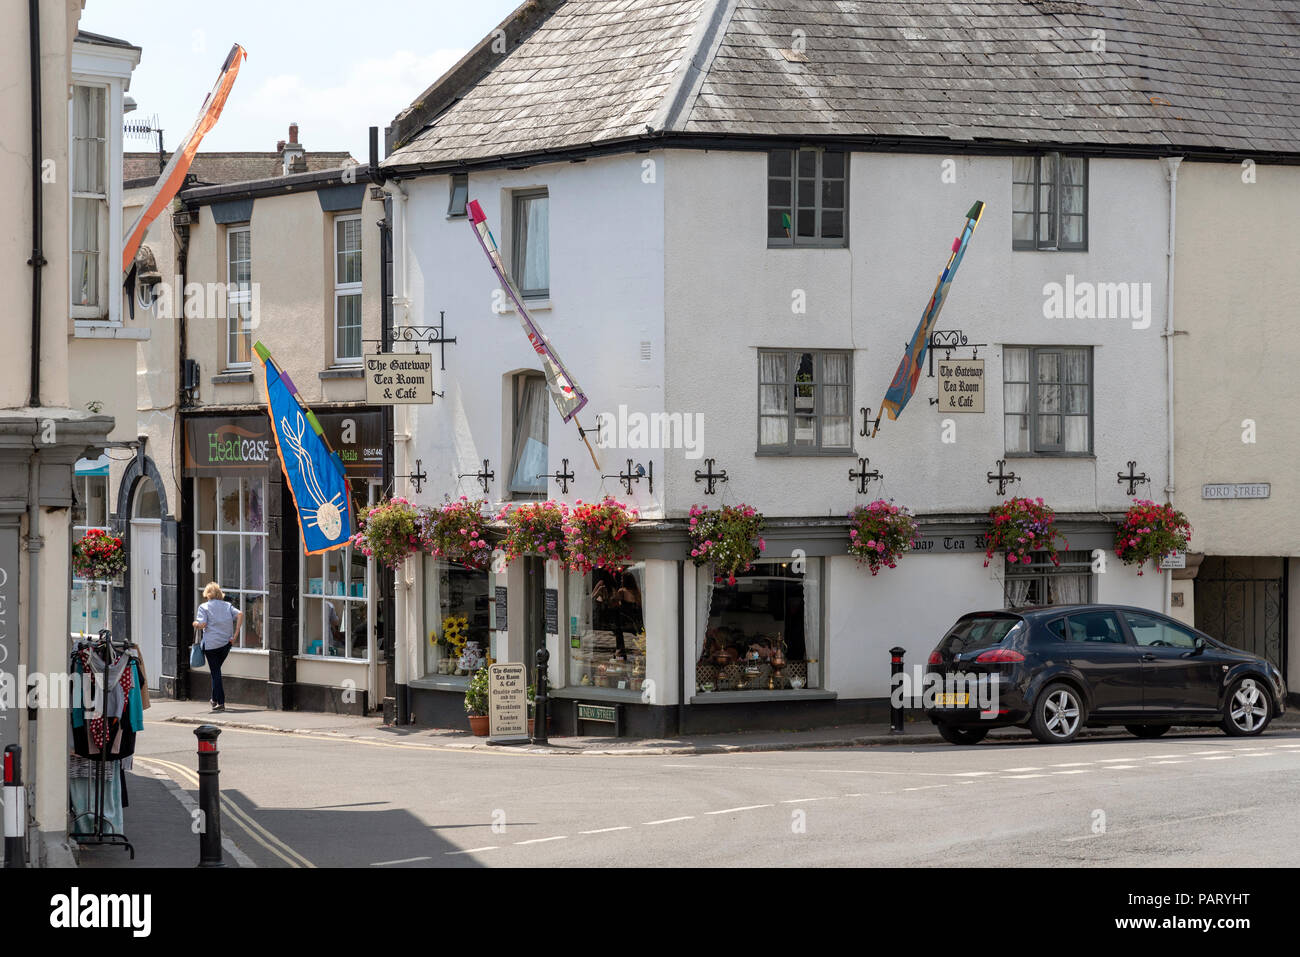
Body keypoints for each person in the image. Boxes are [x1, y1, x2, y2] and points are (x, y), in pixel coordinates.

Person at [192, 582, 242, 712]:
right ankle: (214, 699)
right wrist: (235, 635)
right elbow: (240, 614)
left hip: (211, 645)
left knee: (215, 672)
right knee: (216, 671)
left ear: (207, 594)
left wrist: (195, 624)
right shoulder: (227, 605)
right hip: (226, 644)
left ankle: (221, 702)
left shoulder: (204, 607)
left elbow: (202, 625)